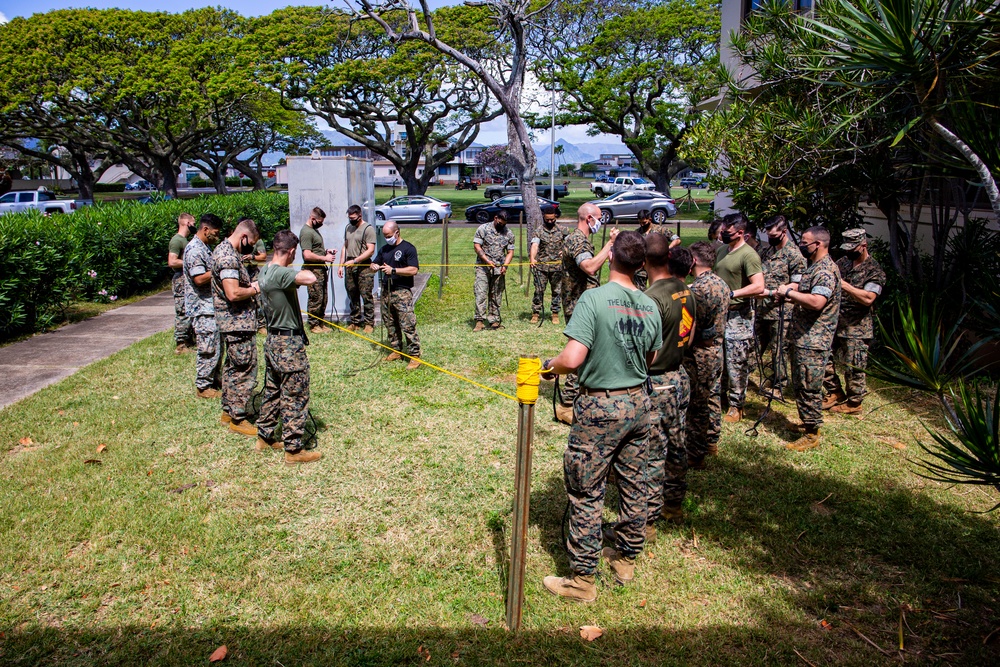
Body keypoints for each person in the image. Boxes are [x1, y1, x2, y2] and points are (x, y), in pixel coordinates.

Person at [538, 230, 663, 602]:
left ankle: (581, 581)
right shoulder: (650, 305)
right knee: (633, 483)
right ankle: (625, 557)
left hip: (600, 408)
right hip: (639, 405)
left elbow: (572, 359)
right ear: (641, 265)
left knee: (586, 492)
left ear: (611, 258)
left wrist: (551, 366)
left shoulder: (593, 299)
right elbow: (651, 359)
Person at [256, 229, 323, 464]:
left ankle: (264, 435)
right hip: (288, 345)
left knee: (273, 391)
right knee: (295, 394)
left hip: (273, 340)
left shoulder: (264, 271)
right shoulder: (280, 273)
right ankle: (293, 450)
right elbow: (310, 278)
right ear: (292, 251)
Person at [644, 240, 697, 532]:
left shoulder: (650, 298)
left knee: (654, 451)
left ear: (643, 262)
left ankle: (648, 521)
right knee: (677, 443)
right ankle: (673, 504)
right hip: (680, 376)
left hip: (657, 381)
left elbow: (643, 350)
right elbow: (689, 337)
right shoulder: (685, 289)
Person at [774, 226, 841, 452]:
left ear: (818, 244)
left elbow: (817, 302)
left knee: (809, 386)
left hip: (814, 340)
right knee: (801, 384)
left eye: (805, 242)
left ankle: (812, 433)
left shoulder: (824, 270)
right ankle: (807, 422)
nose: (801, 245)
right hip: (805, 337)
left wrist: (789, 294)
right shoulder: (815, 268)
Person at [556, 202, 617, 424]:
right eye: (599, 218)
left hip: (586, 303)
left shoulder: (583, 241)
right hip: (578, 305)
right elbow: (590, 267)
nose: (601, 222)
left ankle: (581, 396)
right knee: (579, 354)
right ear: (588, 219)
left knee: (587, 353)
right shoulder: (577, 241)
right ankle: (566, 405)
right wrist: (609, 244)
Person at [823, 228, 885, 414]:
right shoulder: (843, 263)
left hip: (856, 327)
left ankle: (854, 402)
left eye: (852, 248)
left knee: (854, 366)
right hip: (834, 321)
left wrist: (846, 285)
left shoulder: (874, 270)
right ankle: (835, 392)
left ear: (863, 245)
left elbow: (868, 298)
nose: (848, 252)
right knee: (824, 356)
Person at [212, 218, 262, 438]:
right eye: (251, 242)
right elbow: (233, 293)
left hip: (233, 322)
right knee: (244, 369)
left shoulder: (223, 250)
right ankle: (238, 418)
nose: (251, 247)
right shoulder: (228, 257)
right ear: (243, 237)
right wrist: (255, 288)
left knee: (232, 367)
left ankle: (228, 411)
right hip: (237, 322)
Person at [714, 212, 764, 423]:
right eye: (722, 231)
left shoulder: (749, 255)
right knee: (721, 359)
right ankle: (723, 398)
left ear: (741, 233)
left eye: (728, 232)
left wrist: (733, 293)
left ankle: (737, 405)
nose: (723, 234)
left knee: (736, 361)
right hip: (721, 314)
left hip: (739, 316)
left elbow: (759, 286)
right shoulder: (723, 250)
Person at [684, 241, 730, 469]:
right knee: (712, 396)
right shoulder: (721, 283)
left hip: (700, 353)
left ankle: (695, 452)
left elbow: (693, 325)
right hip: (716, 349)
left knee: (697, 404)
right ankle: (711, 440)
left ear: (692, 261)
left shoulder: (698, 290)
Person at [754, 215, 806, 399]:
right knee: (755, 345)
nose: (770, 236)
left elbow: (798, 283)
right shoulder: (768, 252)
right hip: (762, 308)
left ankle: (780, 384)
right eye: (767, 233)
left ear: (784, 232)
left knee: (779, 350)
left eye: (773, 233)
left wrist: (781, 292)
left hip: (782, 311)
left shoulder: (795, 255)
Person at [183, 213, 224, 398]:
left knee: (216, 346)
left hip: (211, 306)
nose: (217, 236)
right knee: (207, 347)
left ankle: (214, 379)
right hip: (202, 307)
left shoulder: (205, 247)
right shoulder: (194, 250)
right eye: (215, 232)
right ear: (205, 229)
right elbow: (199, 278)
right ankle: (203, 385)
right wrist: (219, 268)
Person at [372, 220, 421, 370]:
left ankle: (414, 355)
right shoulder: (384, 249)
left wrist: (394, 271)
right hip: (387, 291)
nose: (387, 238)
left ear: (397, 232)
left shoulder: (408, 248)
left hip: (402, 292)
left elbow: (413, 270)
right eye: (385, 236)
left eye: (389, 235)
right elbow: (375, 263)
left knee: (407, 324)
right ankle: (396, 350)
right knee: (390, 323)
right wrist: (373, 266)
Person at [472, 210, 515, 331]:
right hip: (483, 267)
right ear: (496, 218)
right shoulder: (483, 229)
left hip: (498, 268)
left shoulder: (509, 234)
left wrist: (505, 266)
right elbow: (477, 246)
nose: (503, 226)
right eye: (501, 223)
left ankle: (494, 320)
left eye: (504, 224)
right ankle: (479, 320)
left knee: (496, 294)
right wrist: (486, 260)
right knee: (480, 293)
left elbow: (510, 252)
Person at [338, 204, 377, 333]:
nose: (351, 220)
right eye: (349, 217)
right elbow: (345, 246)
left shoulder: (368, 229)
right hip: (349, 266)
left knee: (366, 295)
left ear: (360, 216)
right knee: (352, 294)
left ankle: (369, 323)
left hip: (363, 266)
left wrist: (355, 261)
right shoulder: (348, 228)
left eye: (353, 218)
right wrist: (341, 264)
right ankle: (354, 321)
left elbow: (370, 250)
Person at [298, 207, 337, 333]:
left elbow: (315, 250)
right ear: (312, 218)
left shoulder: (313, 231)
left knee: (323, 297)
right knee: (316, 297)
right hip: (313, 270)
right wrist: (324, 257)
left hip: (320, 269)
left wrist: (326, 252)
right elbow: (307, 255)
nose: (321, 224)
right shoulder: (306, 232)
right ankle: (314, 324)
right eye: (320, 221)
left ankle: (321, 321)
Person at [529, 209, 567, 325]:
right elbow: (535, 245)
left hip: (557, 267)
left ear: (555, 217)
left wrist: (564, 251)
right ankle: (536, 313)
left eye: (552, 219)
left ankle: (555, 313)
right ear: (543, 218)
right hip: (542, 267)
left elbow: (569, 243)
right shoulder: (539, 231)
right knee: (539, 290)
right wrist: (532, 258)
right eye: (547, 219)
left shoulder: (563, 230)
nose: (550, 221)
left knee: (557, 291)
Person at [632, 209, 681, 291]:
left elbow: (677, 240)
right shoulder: (637, 233)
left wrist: (666, 249)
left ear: (650, 219)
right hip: (642, 265)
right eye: (640, 223)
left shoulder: (660, 230)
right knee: (639, 289)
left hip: (657, 264)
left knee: (657, 288)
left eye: (644, 222)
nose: (642, 225)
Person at [167, 213, 196, 354]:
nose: (194, 226)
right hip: (180, 279)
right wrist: (190, 263)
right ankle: (181, 344)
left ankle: (189, 340)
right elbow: (172, 261)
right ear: (186, 223)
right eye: (193, 223)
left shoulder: (185, 240)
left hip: (187, 278)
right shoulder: (177, 240)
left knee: (190, 309)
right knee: (183, 310)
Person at [243, 235, 268, 333]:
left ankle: (261, 324)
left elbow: (263, 256)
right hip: (240, 272)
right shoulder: (234, 240)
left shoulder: (257, 241)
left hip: (253, 272)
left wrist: (252, 257)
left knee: (258, 298)